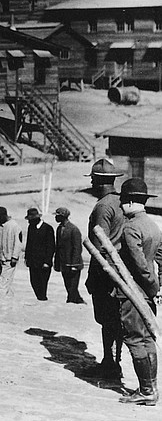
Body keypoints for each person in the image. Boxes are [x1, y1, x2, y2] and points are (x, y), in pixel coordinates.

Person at [115, 178, 161, 405]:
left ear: (131, 201)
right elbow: (159, 259)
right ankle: (151, 388)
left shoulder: (131, 228)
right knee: (147, 339)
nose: (122, 206)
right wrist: (158, 287)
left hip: (133, 292)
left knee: (134, 339)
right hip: (149, 293)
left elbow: (140, 265)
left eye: (123, 201)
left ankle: (145, 390)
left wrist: (151, 287)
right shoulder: (153, 225)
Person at [83, 158, 128, 379]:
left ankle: (111, 364)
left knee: (106, 320)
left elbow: (99, 246)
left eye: (92, 179)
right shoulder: (121, 202)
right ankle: (113, 361)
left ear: (99, 181)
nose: (91, 183)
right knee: (115, 320)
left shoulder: (102, 206)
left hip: (105, 272)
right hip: (120, 271)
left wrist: (94, 277)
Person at [53, 207, 86, 304]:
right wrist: (57, 263)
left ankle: (72, 301)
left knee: (73, 285)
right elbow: (58, 247)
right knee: (68, 284)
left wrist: (74, 265)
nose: (55, 218)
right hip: (64, 263)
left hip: (73, 264)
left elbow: (77, 248)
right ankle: (77, 300)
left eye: (57, 216)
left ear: (63, 216)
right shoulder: (59, 229)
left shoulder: (74, 229)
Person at [24, 207, 56, 301]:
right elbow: (28, 244)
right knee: (33, 282)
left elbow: (51, 247)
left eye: (30, 220)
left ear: (36, 219)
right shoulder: (31, 227)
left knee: (42, 283)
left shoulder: (47, 228)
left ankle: (42, 299)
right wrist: (27, 258)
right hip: (32, 262)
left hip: (43, 263)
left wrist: (47, 261)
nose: (29, 222)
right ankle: (40, 298)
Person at [0, 207, 22, 296]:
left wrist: (15, 257)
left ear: (4, 215)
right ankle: (8, 298)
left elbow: (18, 243)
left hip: (10, 259)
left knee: (4, 282)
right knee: (2, 279)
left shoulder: (14, 226)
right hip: (1, 258)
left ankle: (1, 299)